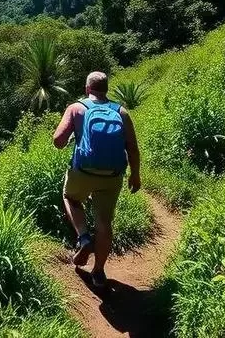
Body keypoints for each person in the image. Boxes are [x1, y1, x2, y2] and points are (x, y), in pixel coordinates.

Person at [53, 71, 141, 288]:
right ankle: (99, 272)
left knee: (70, 197)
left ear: (87, 89)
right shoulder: (121, 112)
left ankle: (83, 238)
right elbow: (132, 148)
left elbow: (58, 140)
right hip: (112, 176)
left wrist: (73, 135)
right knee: (104, 224)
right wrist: (135, 175)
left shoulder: (76, 108)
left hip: (83, 171)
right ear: (106, 89)